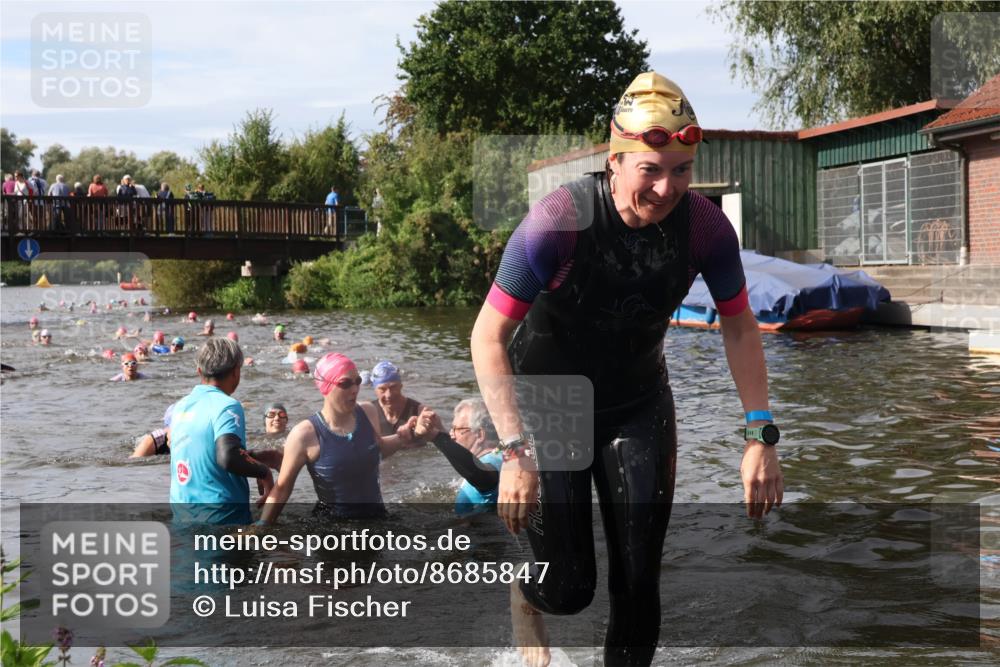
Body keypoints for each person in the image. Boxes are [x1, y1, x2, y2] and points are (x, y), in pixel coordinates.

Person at [469, 72, 783, 667]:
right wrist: (514, 451)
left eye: (682, 170)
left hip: (639, 402)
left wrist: (759, 434)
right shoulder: (557, 222)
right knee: (569, 586)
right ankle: (526, 595)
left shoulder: (706, 229)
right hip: (552, 404)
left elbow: (740, 326)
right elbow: (488, 336)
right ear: (615, 160)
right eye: (651, 169)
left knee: (639, 582)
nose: (668, 188)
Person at [259, 353, 428, 524]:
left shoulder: (368, 412)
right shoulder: (304, 434)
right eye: (345, 383)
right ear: (325, 386)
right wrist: (262, 525)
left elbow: (378, 448)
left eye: (357, 381)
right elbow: (282, 488)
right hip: (333, 528)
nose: (355, 389)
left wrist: (404, 436)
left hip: (377, 519)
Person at [169, 338, 273, 525]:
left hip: (182, 517)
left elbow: (202, 452)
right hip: (222, 520)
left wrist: (252, 458)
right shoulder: (228, 406)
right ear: (236, 371)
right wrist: (263, 472)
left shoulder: (180, 407)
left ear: (199, 371)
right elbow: (227, 456)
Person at [422, 398, 502, 516]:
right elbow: (462, 456)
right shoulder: (501, 453)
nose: (451, 435)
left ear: (479, 434)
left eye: (457, 429)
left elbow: (479, 474)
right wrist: (439, 431)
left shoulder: (492, 461)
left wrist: (436, 437)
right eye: (451, 429)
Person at [365, 360, 423, 437]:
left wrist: (428, 433)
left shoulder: (420, 412)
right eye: (382, 389)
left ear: (401, 386)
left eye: (393, 387)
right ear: (375, 390)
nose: (389, 395)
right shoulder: (367, 413)